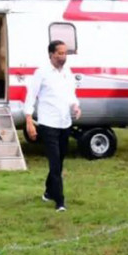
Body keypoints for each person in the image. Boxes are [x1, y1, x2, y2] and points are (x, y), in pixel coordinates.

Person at [24, 40, 81, 212]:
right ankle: (60, 201)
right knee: (55, 163)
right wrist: (29, 120)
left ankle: (48, 192)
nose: (63, 57)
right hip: (48, 124)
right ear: (51, 54)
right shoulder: (41, 73)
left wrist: (75, 106)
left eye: (65, 53)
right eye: (60, 53)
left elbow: (70, 94)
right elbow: (31, 96)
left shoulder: (67, 73)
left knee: (60, 160)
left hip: (64, 123)